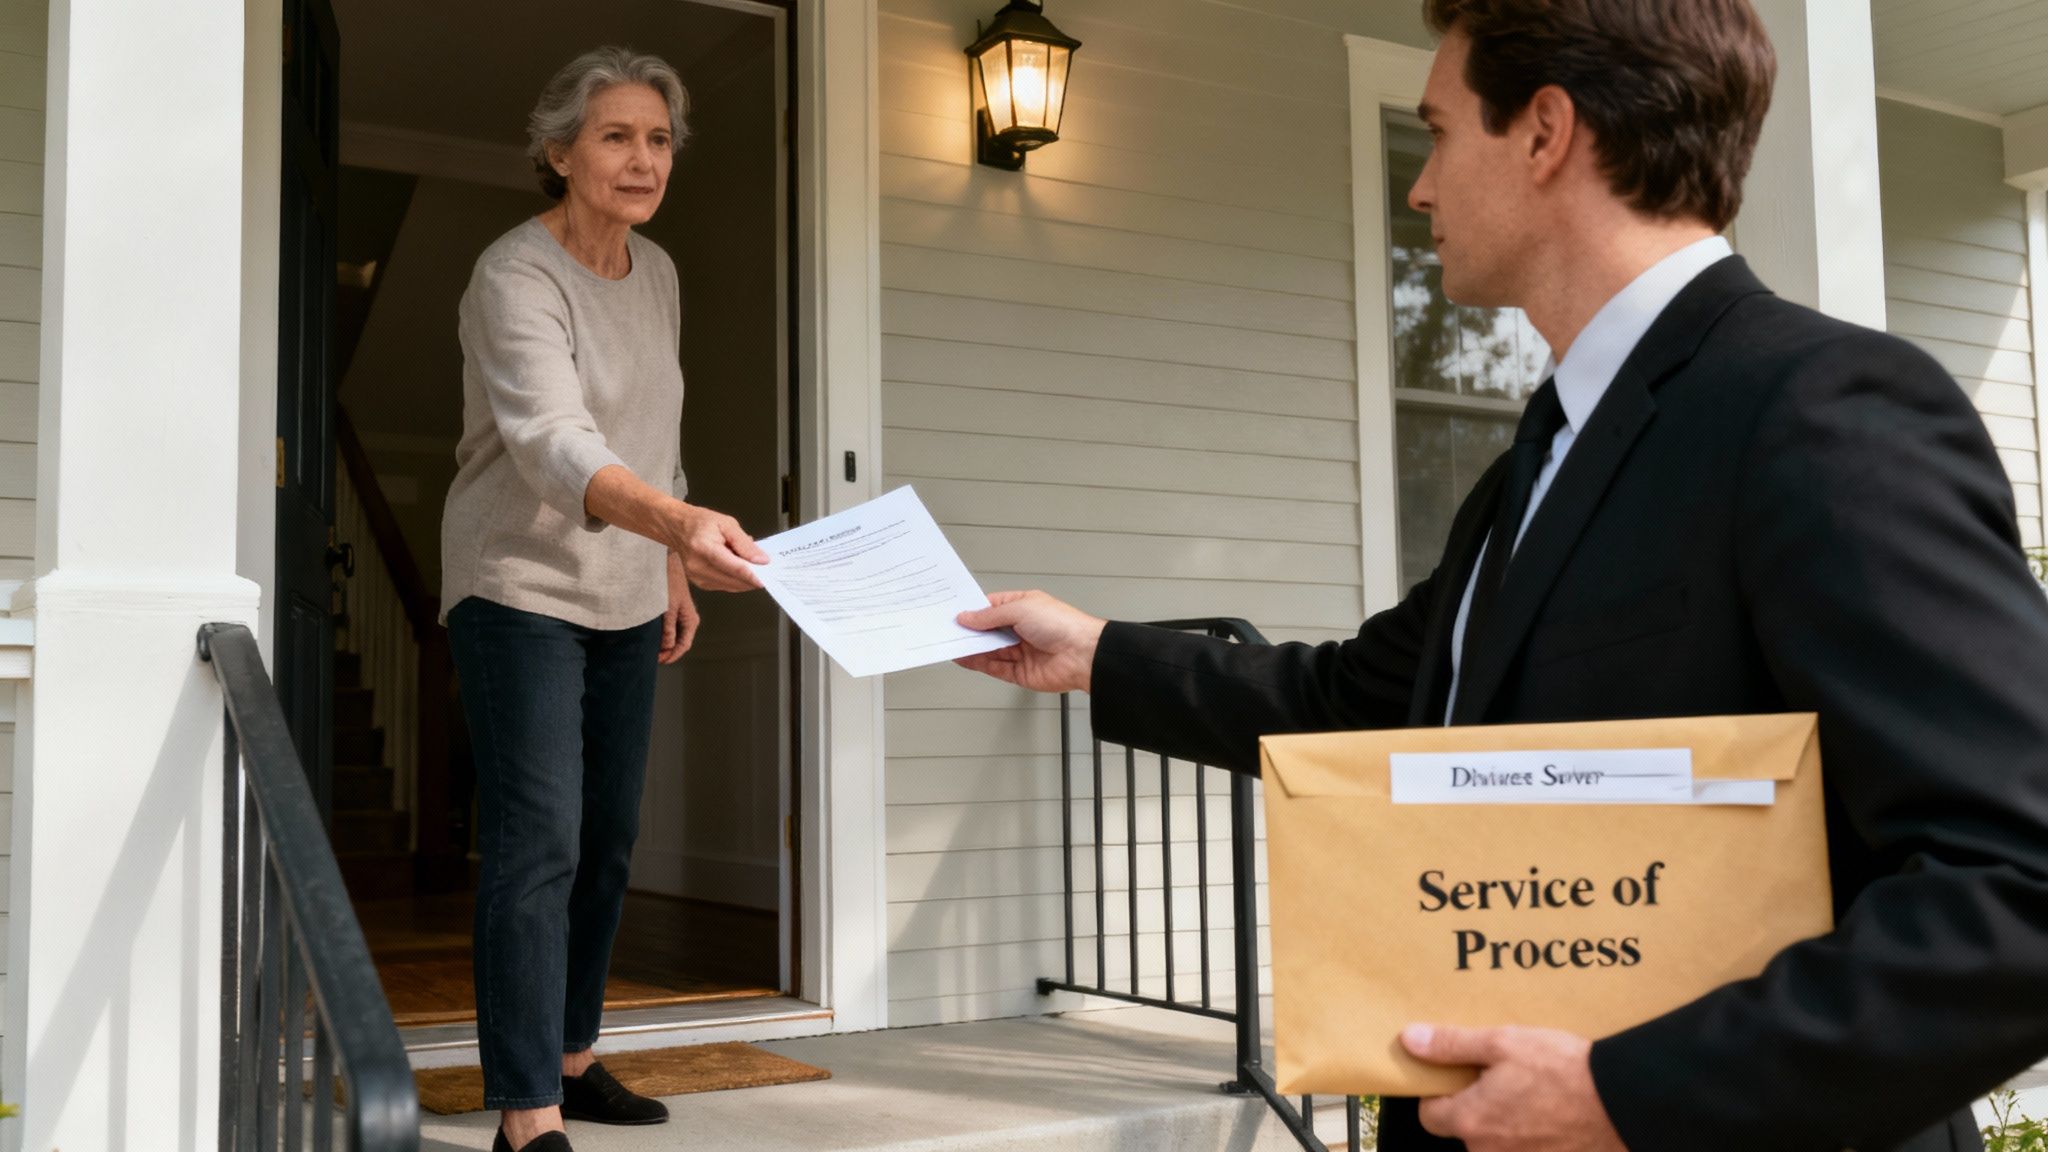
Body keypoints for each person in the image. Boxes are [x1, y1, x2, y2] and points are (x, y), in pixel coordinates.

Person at [953, 2, 2048, 1149]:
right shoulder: (1539, 458)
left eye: (1433, 133)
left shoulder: (1815, 408)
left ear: (1542, 133)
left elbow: (2018, 887)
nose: (1418, 188)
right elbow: (1358, 701)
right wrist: (1095, 655)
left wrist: (1633, 1091)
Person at [439, 46, 767, 1152]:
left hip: (628, 586)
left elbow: (651, 438)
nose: (642, 158)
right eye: (616, 135)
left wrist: (667, 560)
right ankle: (525, 1113)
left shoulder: (659, 271)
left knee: (611, 837)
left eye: (659, 138)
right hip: (519, 585)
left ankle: (575, 1061)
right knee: (540, 840)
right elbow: (551, 438)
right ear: (559, 152)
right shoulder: (512, 275)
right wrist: (678, 526)